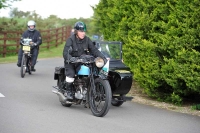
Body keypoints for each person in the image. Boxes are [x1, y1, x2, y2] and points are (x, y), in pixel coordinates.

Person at [63, 21, 107, 99]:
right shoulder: (70, 40)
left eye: (84, 31)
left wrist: (103, 57)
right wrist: (72, 58)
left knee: (93, 72)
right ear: (76, 31)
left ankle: (89, 89)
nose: (83, 33)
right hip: (72, 62)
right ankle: (69, 91)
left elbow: (94, 50)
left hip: (83, 61)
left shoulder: (87, 39)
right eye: (81, 31)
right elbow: (65, 53)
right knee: (71, 74)